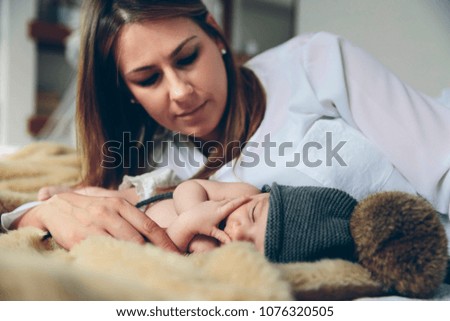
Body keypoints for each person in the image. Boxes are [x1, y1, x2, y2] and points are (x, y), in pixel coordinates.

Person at [2, 0, 450, 251]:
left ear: (215, 34)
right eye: (148, 79)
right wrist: (40, 213)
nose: (180, 92)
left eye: (186, 58)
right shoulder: (154, 153)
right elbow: (78, 205)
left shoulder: (315, 63)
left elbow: (441, 167)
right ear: (126, 91)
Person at [46, 179, 357, 263]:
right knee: (106, 194)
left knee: (100, 220)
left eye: (249, 243)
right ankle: (69, 191)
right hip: (149, 197)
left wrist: (185, 232)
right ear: (263, 195)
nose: (237, 229)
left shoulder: (219, 259)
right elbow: (189, 187)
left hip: (132, 230)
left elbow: (162, 255)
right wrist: (196, 214)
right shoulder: (244, 193)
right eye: (250, 215)